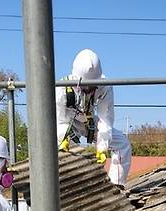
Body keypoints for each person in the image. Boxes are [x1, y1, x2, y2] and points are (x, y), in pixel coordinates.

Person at [56, 49, 132, 187]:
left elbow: (105, 118)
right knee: (70, 153)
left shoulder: (105, 87)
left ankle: (117, 185)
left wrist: (102, 147)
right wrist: (64, 138)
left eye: (92, 85)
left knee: (122, 144)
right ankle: (75, 187)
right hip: (68, 124)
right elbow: (59, 120)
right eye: (86, 85)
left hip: (89, 121)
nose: (89, 89)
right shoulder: (61, 89)